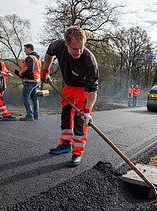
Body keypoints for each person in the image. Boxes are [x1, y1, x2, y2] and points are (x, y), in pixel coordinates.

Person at [41, 25, 99, 167]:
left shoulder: (89, 61)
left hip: (83, 89)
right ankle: (66, 143)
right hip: (67, 87)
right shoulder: (58, 46)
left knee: (80, 120)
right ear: (66, 43)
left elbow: (93, 90)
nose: (78, 52)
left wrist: (88, 111)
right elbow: (49, 52)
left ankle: (77, 152)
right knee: (66, 115)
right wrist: (45, 70)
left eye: (81, 47)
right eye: (74, 48)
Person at [15, 44, 41, 121]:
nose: (24, 50)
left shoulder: (30, 58)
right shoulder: (37, 58)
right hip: (36, 80)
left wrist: (22, 74)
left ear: (29, 49)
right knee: (34, 98)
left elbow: (30, 69)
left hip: (30, 80)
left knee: (25, 97)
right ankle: (36, 115)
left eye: (25, 49)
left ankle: (29, 115)